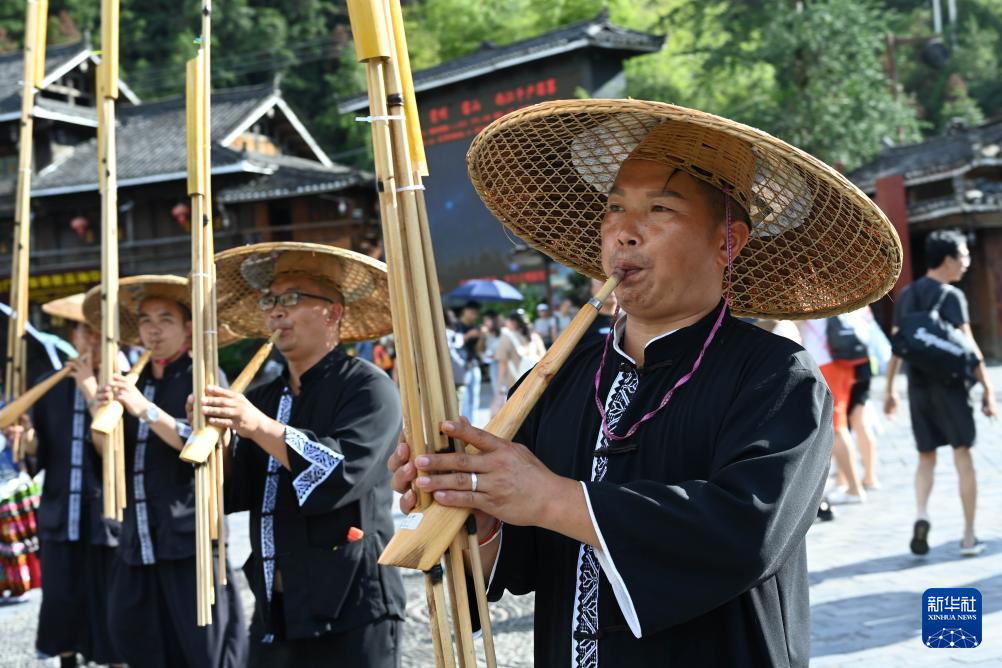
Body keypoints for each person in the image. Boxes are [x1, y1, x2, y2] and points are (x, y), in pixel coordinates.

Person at [390, 100, 901, 665]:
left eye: (659, 208)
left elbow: (746, 533)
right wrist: (479, 507)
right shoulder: (557, 377)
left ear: (727, 242)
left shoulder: (777, 376)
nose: (622, 232)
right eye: (613, 209)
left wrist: (552, 497)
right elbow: (528, 552)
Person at [201, 243, 405, 667]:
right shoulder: (261, 397)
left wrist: (256, 426)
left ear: (332, 312)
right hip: (277, 607)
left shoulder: (369, 388)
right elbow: (234, 494)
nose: (276, 311)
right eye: (270, 300)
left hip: (353, 603)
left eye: (292, 298)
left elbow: (342, 470)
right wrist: (217, 438)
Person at [88, 276, 246, 668]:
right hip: (138, 534)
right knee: (136, 637)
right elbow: (109, 455)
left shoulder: (205, 377)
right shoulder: (134, 381)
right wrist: (101, 413)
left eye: (165, 319)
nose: (152, 329)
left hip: (189, 535)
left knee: (204, 649)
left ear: (188, 329)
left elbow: (202, 443)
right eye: (144, 321)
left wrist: (146, 410)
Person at [6, 295, 123, 667]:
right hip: (59, 511)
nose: (86, 338)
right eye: (80, 329)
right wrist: (25, 440)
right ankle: (68, 660)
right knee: (61, 599)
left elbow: (116, 451)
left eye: (95, 330)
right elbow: (41, 454)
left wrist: (90, 389)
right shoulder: (49, 385)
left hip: (106, 514)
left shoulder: (122, 386)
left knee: (111, 600)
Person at [884, 229, 996, 557]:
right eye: (963, 256)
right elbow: (970, 346)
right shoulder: (951, 296)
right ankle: (968, 536)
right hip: (951, 389)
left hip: (918, 387)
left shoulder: (905, 295)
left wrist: (890, 389)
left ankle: (921, 513)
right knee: (963, 455)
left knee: (925, 457)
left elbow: (898, 346)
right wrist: (987, 389)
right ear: (948, 259)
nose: (966, 263)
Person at [796, 318, 867, 504]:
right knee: (839, 424)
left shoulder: (807, 302)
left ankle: (854, 488)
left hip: (825, 362)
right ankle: (844, 483)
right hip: (838, 360)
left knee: (836, 427)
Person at [492, 312, 545, 408]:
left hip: (515, 385)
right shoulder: (535, 337)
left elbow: (502, 364)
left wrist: (499, 384)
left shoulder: (506, 338)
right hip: (536, 383)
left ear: (513, 323)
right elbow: (544, 357)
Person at [454, 301, 484, 423]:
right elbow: (455, 344)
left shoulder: (476, 327)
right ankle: (466, 426)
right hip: (462, 366)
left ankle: (474, 425)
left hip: (474, 364)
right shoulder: (456, 326)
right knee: (465, 399)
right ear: (465, 311)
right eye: (472, 312)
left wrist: (481, 336)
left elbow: (479, 350)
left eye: (476, 313)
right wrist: (467, 336)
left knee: (475, 398)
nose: (474, 315)